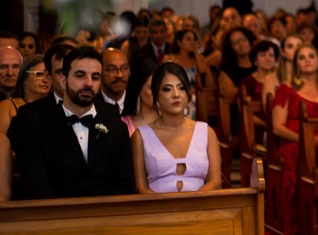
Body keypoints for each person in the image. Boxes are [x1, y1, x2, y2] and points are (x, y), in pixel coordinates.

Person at [8, 46, 135, 198]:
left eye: (95, 77)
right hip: (54, 211)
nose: (89, 83)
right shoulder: (36, 125)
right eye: (80, 76)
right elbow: (36, 187)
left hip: (108, 211)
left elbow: (124, 186)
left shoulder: (117, 128)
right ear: (63, 80)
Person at [132, 63, 221, 193]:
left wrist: (191, 201)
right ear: (156, 96)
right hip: (157, 205)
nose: (176, 94)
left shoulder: (207, 132)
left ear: (188, 93)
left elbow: (215, 181)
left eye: (181, 88)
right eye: (167, 89)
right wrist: (166, 203)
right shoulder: (140, 136)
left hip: (200, 204)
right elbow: (141, 187)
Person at [271, 43, 318, 235]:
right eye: (301, 58)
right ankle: (298, 223)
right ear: (296, 64)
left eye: (311, 56)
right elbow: (277, 127)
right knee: (297, 154)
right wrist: (306, 140)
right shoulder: (286, 89)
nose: (307, 60)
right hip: (295, 142)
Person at [0, 55, 51, 135]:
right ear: (24, 78)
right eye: (39, 74)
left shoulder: (56, 108)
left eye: (49, 75)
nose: (45, 80)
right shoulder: (7, 106)